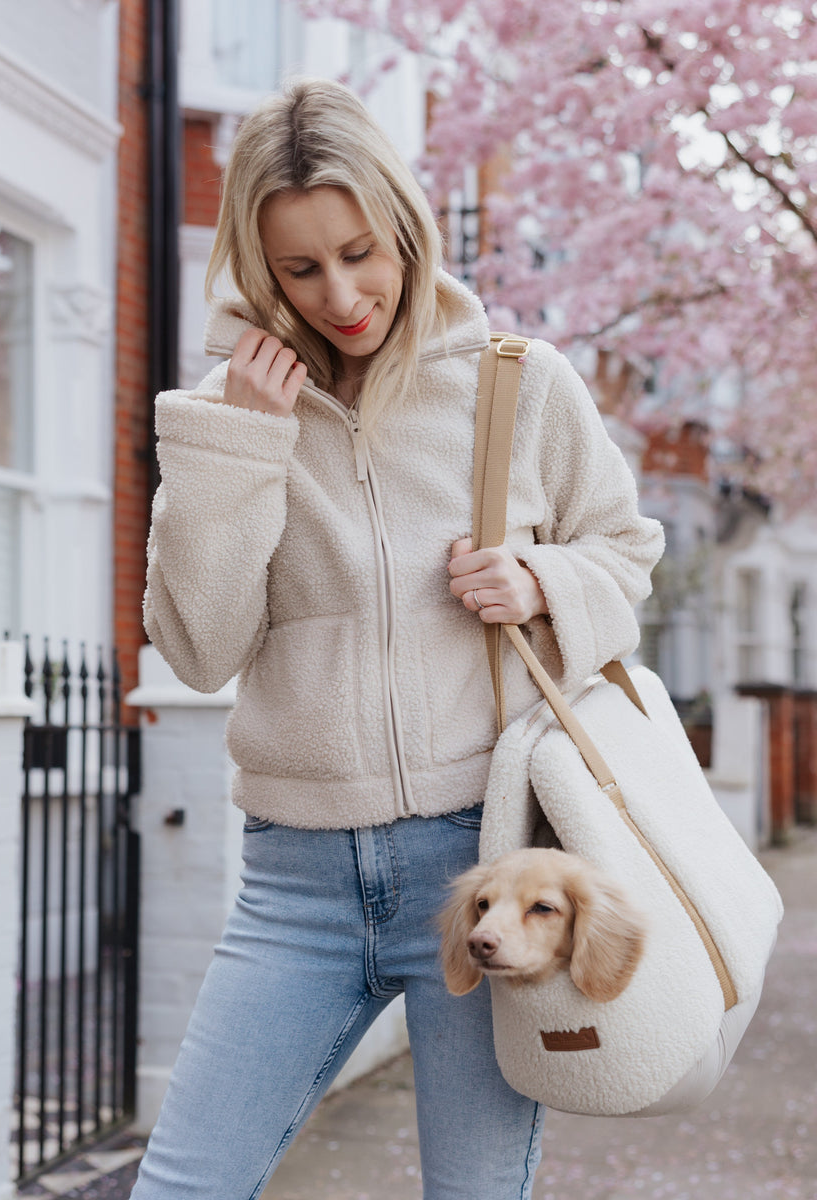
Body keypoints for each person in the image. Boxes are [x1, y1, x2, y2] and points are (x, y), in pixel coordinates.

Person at [131, 78, 663, 1200]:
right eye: (300, 268)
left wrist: (541, 577)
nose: (344, 295)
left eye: (362, 252)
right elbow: (199, 648)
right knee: (180, 1186)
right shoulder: (232, 412)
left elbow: (624, 549)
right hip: (297, 878)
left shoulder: (521, 386)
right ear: (258, 267)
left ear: (407, 227)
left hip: (483, 874)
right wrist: (243, 449)